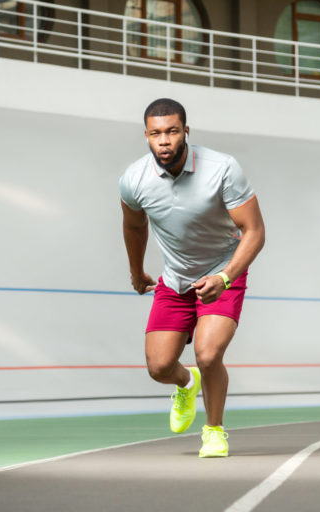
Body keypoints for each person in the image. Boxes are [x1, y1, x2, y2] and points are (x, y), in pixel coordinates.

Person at [119, 98, 265, 458]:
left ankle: (214, 430)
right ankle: (186, 384)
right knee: (159, 367)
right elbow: (134, 227)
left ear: (186, 131)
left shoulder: (222, 168)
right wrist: (137, 273)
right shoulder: (133, 180)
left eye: (171, 131)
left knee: (208, 353)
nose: (164, 141)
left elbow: (255, 231)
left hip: (222, 269)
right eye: (156, 134)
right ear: (146, 136)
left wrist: (226, 277)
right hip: (175, 279)